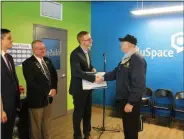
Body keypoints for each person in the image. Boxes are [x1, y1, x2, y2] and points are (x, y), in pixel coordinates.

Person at [103, 34, 147, 139]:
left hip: (130, 100)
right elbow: (116, 72)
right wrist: (103, 77)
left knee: (131, 129)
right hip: (124, 98)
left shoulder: (137, 59)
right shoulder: (126, 58)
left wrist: (131, 103)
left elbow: (139, 84)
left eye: (122, 44)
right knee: (127, 128)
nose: (120, 46)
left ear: (131, 45)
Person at [69, 31, 102, 139]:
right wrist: (93, 78)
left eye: (90, 38)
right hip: (78, 88)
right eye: (89, 39)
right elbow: (77, 72)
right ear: (82, 41)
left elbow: (87, 65)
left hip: (88, 87)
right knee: (78, 113)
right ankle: (77, 135)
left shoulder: (88, 51)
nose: (91, 40)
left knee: (88, 112)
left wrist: (92, 68)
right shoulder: (75, 54)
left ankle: (87, 133)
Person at [22, 40, 58, 139]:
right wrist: (47, 91)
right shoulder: (28, 63)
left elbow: (54, 76)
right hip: (36, 100)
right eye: (40, 48)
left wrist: (54, 88)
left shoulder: (47, 60)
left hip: (49, 99)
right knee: (36, 125)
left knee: (47, 123)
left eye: (44, 48)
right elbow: (31, 82)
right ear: (34, 50)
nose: (43, 50)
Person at [1, 28, 20, 139]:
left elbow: (14, 79)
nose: (11, 41)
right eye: (8, 38)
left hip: (12, 104)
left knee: (8, 132)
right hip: (2, 106)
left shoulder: (9, 58)